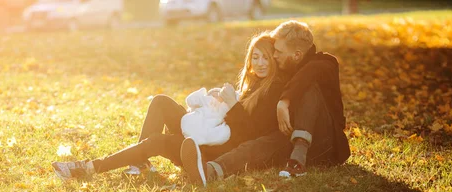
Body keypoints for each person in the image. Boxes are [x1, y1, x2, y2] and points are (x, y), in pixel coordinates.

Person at [51, 32, 284, 182]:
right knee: (161, 102)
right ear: (249, 60)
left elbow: (251, 135)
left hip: (210, 150)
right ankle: (140, 160)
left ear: (274, 60)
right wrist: (218, 100)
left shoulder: (273, 90)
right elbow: (229, 115)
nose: (260, 63)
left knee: (157, 142)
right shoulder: (252, 84)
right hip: (204, 132)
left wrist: (232, 105)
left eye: (266, 58)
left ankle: (88, 168)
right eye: (255, 57)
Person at [181, 20, 350, 186]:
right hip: (290, 137)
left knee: (309, 87)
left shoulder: (323, 64)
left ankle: (299, 154)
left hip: (326, 144)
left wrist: (284, 101)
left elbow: (308, 73)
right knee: (259, 144)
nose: (274, 55)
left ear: (297, 55)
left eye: (278, 52)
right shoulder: (285, 69)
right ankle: (211, 170)